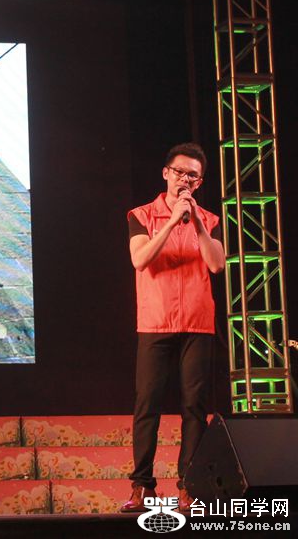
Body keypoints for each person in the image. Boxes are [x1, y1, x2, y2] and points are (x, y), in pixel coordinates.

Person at [121, 142, 225, 514]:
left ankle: (188, 486)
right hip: (155, 321)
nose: (185, 179)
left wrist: (195, 221)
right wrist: (170, 222)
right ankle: (142, 485)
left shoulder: (210, 220)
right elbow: (140, 259)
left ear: (200, 182)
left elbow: (216, 264)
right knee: (147, 404)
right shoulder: (142, 215)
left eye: (192, 176)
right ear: (166, 173)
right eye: (179, 172)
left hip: (198, 322)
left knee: (194, 406)